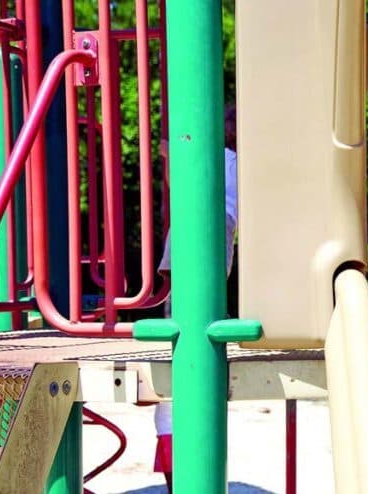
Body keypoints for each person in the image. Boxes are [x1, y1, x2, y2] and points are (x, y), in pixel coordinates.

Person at [153, 105, 238, 492]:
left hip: (203, 224)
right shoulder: (237, 160)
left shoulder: (213, 154)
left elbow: (175, 176)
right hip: (215, 229)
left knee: (172, 398)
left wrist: (168, 148)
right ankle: (190, 310)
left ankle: (178, 307)